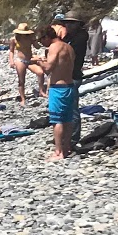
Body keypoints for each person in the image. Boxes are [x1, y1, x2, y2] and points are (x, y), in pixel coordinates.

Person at [29, 22, 77, 160]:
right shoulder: (69, 47)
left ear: (46, 37)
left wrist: (38, 61)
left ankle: (58, 152)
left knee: (57, 121)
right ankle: (66, 148)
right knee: (68, 120)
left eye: (41, 40)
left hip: (58, 88)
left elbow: (48, 68)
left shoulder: (54, 47)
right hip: (69, 85)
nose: (41, 43)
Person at [9, 23, 39, 106]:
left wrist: (34, 40)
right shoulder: (14, 39)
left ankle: (42, 92)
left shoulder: (30, 38)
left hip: (30, 59)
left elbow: (37, 47)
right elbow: (11, 51)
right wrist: (11, 61)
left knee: (40, 73)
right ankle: (23, 98)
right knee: (21, 81)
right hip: (20, 60)